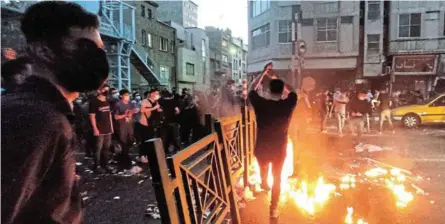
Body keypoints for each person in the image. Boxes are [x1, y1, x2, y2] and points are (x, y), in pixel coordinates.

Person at [1, 2, 108, 223]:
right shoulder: (34, 118)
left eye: (100, 50)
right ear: (43, 51)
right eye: (86, 48)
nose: (97, 58)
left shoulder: (48, 111)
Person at [248, 68, 297, 219]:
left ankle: (263, 182)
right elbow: (294, 91)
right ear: (283, 92)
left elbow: (251, 89)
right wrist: (278, 77)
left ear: (268, 91)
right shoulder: (288, 104)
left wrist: (262, 73)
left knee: (263, 167)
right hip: (279, 149)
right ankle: (274, 208)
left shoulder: (261, 104)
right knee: (277, 178)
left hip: (262, 148)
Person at [89, 85, 114, 173]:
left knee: (106, 148)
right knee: (98, 148)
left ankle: (105, 165)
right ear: (99, 90)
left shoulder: (108, 101)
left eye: (107, 89)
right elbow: (92, 116)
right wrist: (95, 128)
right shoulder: (94, 101)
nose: (106, 91)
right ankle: (97, 166)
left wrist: (111, 127)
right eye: (104, 89)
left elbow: (109, 115)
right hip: (99, 129)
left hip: (107, 129)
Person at [114, 89, 138, 169]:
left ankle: (123, 158)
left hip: (130, 126)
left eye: (128, 95)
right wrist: (125, 115)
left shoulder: (131, 104)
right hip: (122, 126)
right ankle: (125, 161)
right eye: (126, 95)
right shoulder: (118, 104)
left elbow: (133, 112)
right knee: (123, 143)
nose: (128, 97)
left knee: (130, 141)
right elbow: (116, 117)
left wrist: (134, 111)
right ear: (121, 96)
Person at [138, 89, 163, 162]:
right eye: (156, 93)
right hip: (145, 123)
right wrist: (154, 108)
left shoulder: (156, 102)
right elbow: (142, 110)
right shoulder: (145, 101)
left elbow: (156, 110)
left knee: (150, 140)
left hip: (153, 123)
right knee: (144, 140)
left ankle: (148, 155)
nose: (158, 95)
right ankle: (142, 155)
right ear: (152, 94)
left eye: (158, 93)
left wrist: (158, 110)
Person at [159, 89, 182, 154]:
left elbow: (160, 110)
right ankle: (176, 148)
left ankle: (166, 149)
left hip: (165, 121)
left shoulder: (160, 101)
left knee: (167, 137)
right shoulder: (174, 101)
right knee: (173, 136)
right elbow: (177, 111)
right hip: (173, 121)